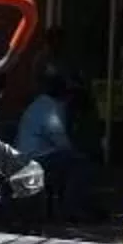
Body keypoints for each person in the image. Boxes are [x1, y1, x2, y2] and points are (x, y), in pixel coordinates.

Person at [16, 67, 86, 222]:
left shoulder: (41, 103)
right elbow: (59, 139)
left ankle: (67, 206)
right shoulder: (52, 107)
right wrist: (76, 152)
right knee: (78, 164)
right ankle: (72, 209)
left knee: (70, 160)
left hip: (31, 155)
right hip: (35, 158)